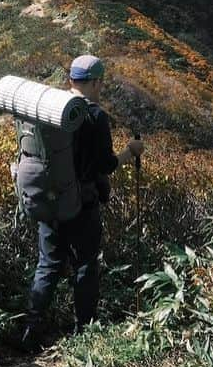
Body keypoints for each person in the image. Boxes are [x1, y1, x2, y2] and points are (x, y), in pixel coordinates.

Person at [17, 54, 142, 351]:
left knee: (48, 264)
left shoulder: (51, 110)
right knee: (85, 264)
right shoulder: (95, 117)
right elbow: (105, 165)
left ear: (71, 80)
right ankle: (84, 330)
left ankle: (30, 329)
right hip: (83, 204)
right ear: (96, 82)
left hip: (49, 200)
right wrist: (131, 151)